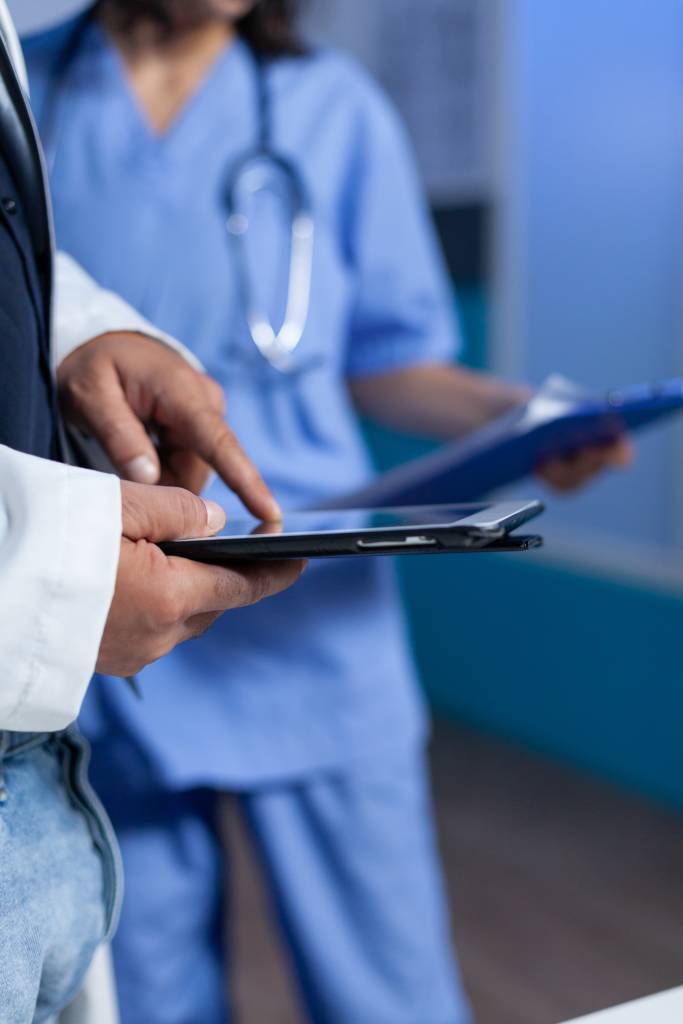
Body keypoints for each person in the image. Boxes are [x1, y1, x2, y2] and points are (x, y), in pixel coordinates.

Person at [25, 3, 633, 1022]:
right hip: (125, 612)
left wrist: (520, 419)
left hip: (314, 614)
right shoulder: (24, 90)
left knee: (385, 991)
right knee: (150, 990)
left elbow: (391, 361)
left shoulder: (333, 108)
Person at [0, 3, 304, 1021]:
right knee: (168, 973)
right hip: (96, 620)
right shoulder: (55, 70)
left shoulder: (325, 103)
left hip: (136, 635)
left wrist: (76, 330)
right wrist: (57, 573)